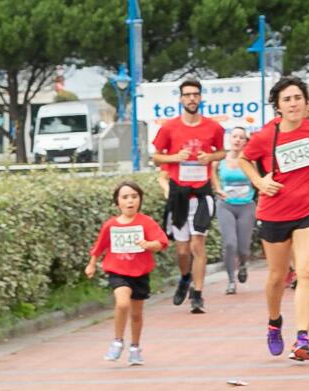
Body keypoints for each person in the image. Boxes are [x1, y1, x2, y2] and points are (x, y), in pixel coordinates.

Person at [235, 75, 309, 362]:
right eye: (287, 99)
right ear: (278, 106)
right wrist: (259, 182)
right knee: (278, 277)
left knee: (307, 272)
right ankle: (274, 321)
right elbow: (244, 158)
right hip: (275, 212)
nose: (293, 104)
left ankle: (303, 338)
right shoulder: (267, 135)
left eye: (297, 98)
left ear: (306, 102)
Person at [150, 77, 225, 313]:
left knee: (197, 245)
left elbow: (222, 152)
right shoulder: (169, 128)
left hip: (202, 194)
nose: (192, 98)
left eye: (196, 94)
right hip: (179, 195)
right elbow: (156, 157)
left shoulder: (213, 127)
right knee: (182, 250)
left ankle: (198, 294)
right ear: (181, 98)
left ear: (201, 97)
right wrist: (175, 158)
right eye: (187, 95)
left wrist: (210, 157)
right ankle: (185, 277)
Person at [85, 181, 170, 366]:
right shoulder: (111, 225)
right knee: (122, 303)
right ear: (118, 202)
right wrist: (92, 264)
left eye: (134, 197)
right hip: (118, 271)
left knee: (137, 314)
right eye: (125, 197)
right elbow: (99, 246)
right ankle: (117, 341)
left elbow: (161, 242)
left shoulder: (146, 222)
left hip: (140, 272)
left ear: (140, 200)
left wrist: (150, 245)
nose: (130, 201)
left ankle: (135, 348)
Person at [215, 127, 258, 296]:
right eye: (235, 137)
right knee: (229, 243)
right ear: (230, 139)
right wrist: (218, 189)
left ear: (245, 142)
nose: (237, 140)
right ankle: (231, 281)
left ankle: (243, 265)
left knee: (243, 249)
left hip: (246, 205)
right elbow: (212, 175)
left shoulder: (249, 161)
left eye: (241, 138)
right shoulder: (220, 160)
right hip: (226, 205)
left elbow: (256, 180)